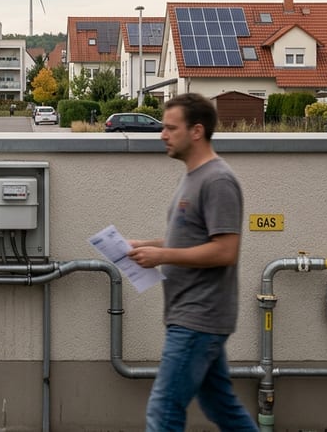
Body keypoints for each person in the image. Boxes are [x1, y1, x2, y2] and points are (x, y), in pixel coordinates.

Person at [128, 92, 258, 432]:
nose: (163, 134)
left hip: (199, 316)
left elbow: (225, 250)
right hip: (190, 313)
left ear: (196, 131)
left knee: (163, 409)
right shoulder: (193, 177)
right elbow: (191, 239)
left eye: (171, 128)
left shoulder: (218, 181)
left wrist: (162, 256)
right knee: (222, 408)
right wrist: (146, 245)